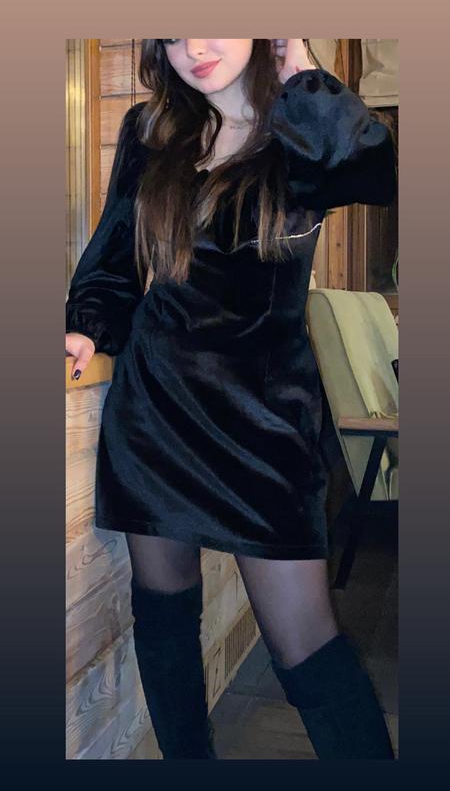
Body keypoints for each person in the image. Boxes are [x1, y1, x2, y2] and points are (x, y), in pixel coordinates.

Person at [66, 39, 397, 760]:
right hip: (156, 413)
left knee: (308, 648)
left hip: (265, 423)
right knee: (164, 617)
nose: (195, 46)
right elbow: (116, 255)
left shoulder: (301, 126)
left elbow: (380, 172)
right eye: (175, 28)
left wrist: (305, 79)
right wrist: (88, 325)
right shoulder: (151, 129)